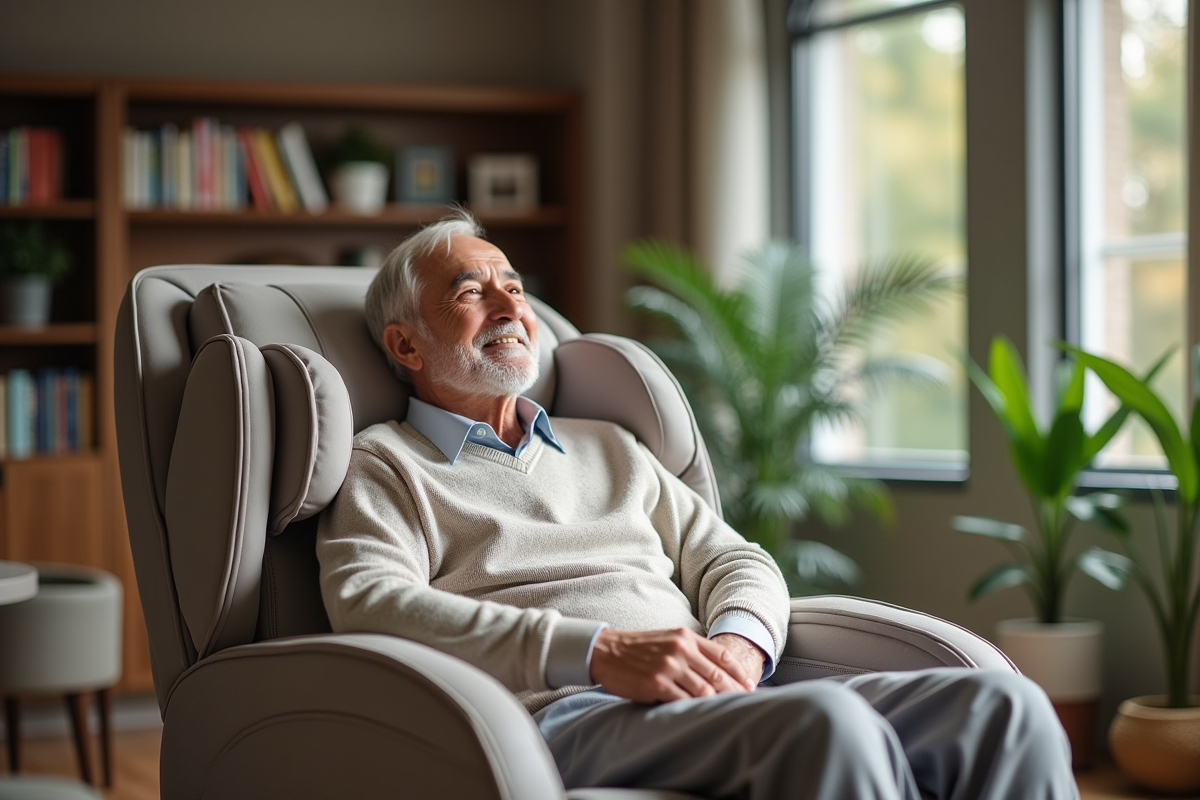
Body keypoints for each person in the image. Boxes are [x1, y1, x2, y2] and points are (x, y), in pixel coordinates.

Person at [317, 209, 1078, 800]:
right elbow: (371, 602)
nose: (508, 306)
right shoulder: (386, 464)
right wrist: (598, 651)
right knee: (830, 723)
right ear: (407, 347)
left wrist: (741, 645)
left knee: (1006, 707)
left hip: (713, 690)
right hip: (566, 713)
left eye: (514, 287)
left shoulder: (608, 445)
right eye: (470, 292)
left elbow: (734, 558)